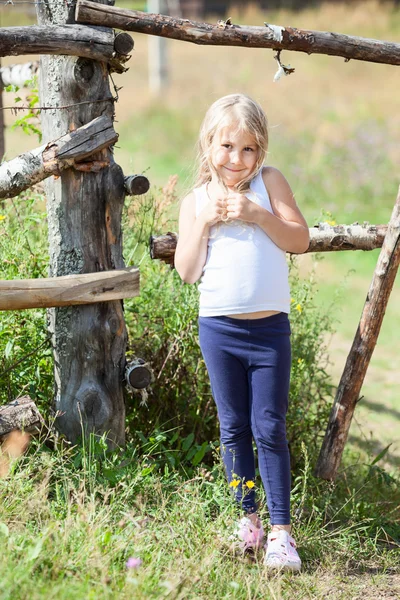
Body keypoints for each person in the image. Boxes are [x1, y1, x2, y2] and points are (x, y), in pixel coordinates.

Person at [174, 94, 309, 571]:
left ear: (262, 151)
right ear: (209, 144)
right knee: (233, 429)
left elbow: (300, 239)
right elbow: (187, 271)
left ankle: (281, 533)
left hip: (270, 331)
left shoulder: (269, 185)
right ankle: (247, 520)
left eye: (249, 149)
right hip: (219, 330)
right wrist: (206, 223)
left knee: (268, 426)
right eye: (227, 146)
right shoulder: (196, 201)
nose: (237, 159)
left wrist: (256, 215)